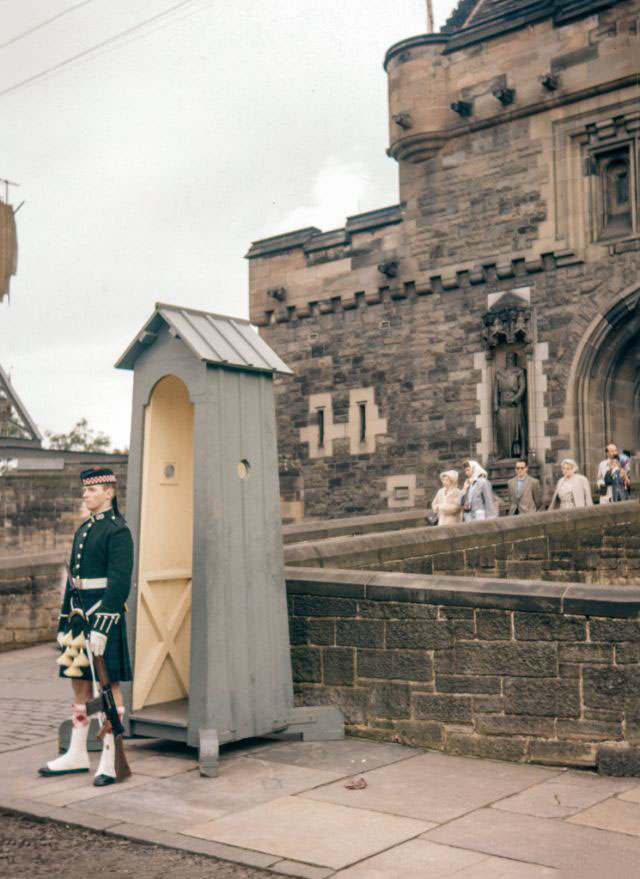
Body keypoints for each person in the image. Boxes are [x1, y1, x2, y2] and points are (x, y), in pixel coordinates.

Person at [39, 467, 133, 786]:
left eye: (92, 490)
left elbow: (120, 583)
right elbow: (74, 582)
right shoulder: (84, 529)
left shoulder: (117, 531)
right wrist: (67, 621)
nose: (86, 495)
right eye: (85, 491)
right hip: (78, 617)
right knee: (78, 682)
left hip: (102, 617)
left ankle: (110, 757)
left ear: (109, 492)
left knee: (109, 686)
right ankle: (78, 752)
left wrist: (103, 626)